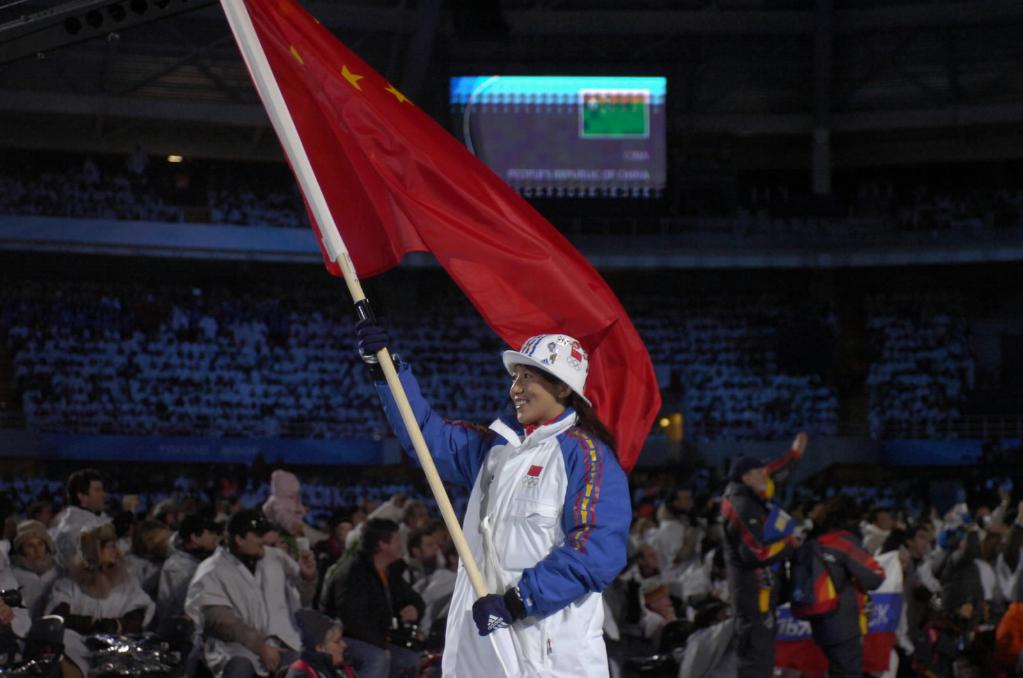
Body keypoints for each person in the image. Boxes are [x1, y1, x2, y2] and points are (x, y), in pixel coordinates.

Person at [357, 324, 630, 677]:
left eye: (528, 377)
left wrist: (517, 602)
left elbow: (597, 551)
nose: (515, 388)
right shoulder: (497, 448)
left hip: (550, 652)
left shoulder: (587, 456)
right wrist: (388, 372)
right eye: (515, 377)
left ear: (563, 388)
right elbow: (425, 435)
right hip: (481, 643)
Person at [185, 509, 315, 678]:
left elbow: (303, 599)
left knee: (306, 667)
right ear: (239, 539)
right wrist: (260, 647)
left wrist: (307, 577)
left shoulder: (275, 557)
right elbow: (222, 622)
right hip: (235, 648)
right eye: (258, 535)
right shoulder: (211, 570)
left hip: (282, 643)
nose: (265, 540)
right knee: (240, 668)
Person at [719, 451, 801, 678]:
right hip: (752, 595)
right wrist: (788, 543)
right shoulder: (742, 506)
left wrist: (795, 455)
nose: (765, 476)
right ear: (746, 478)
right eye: (759, 472)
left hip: (759, 593)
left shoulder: (749, 501)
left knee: (762, 655)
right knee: (756, 657)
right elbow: (756, 553)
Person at [320, 518, 423, 678]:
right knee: (377, 658)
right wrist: (381, 642)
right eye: (396, 540)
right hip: (344, 638)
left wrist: (414, 608)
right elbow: (352, 621)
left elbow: (414, 599)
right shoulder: (354, 573)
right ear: (382, 544)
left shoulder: (390, 572)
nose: (401, 545)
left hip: (378, 638)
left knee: (409, 659)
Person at [805, 496, 885, 677]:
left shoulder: (813, 541)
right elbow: (875, 577)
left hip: (819, 621)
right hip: (843, 623)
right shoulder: (843, 542)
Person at [47, 522, 155, 635]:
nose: (115, 550)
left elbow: (136, 619)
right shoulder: (69, 585)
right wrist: (90, 623)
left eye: (115, 545)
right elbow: (58, 617)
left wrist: (116, 625)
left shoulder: (127, 583)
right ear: (93, 549)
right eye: (110, 546)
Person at [158, 513, 220, 622]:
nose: (215, 537)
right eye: (210, 533)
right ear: (194, 537)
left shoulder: (197, 558)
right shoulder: (179, 567)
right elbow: (186, 607)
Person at [52, 468, 110, 572]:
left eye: (102, 490)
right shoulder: (72, 529)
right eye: (97, 490)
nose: (103, 494)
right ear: (82, 496)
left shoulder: (98, 518)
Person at [9, 520, 59, 620]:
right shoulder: (12, 573)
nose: (37, 550)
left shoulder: (57, 571)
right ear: (22, 549)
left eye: (40, 544)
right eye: (30, 545)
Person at [285, 609, 355, 678]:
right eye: (337, 642)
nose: (344, 645)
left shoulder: (343, 668)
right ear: (320, 647)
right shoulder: (301, 673)